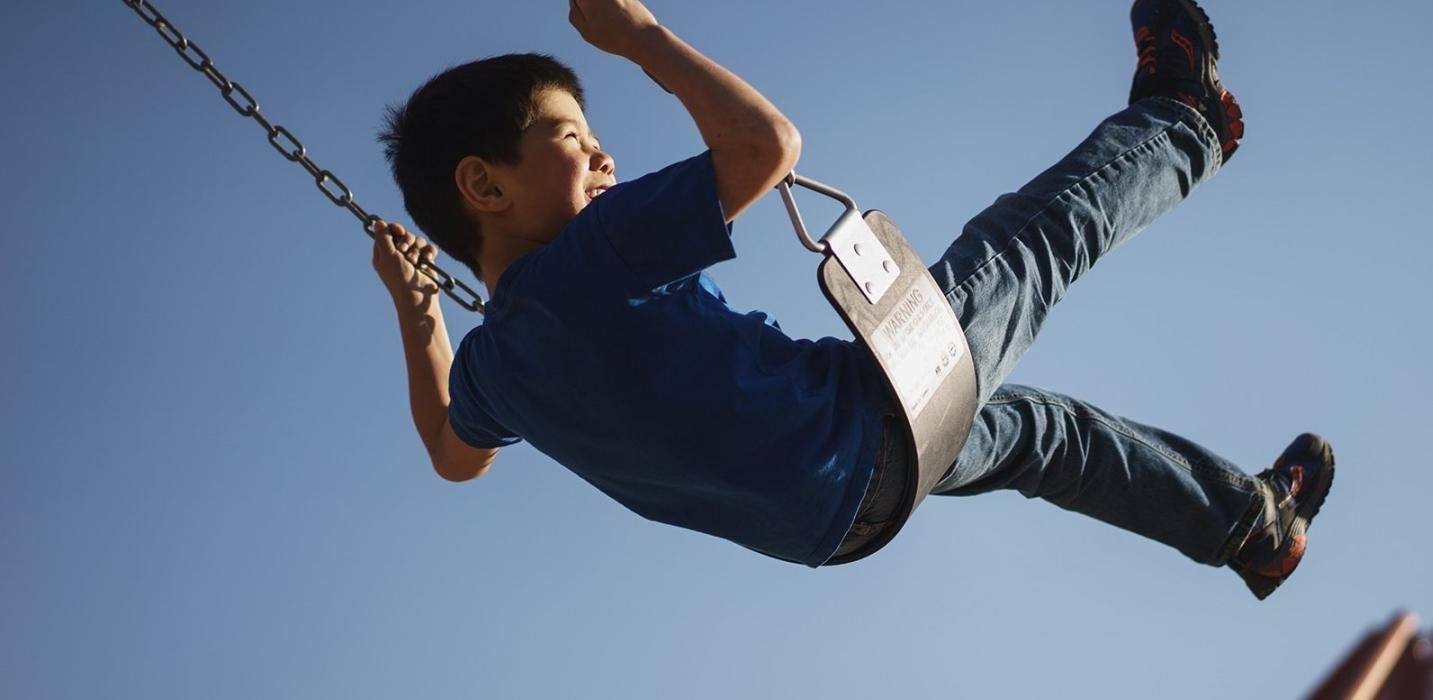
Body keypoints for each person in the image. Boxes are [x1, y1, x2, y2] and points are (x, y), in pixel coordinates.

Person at [371, 0, 1336, 600]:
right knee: (1028, 244)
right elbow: (764, 149)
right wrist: (640, 35)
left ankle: (1249, 526)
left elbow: (454, 457)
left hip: (835, 523)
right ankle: (1185, 122)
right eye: (568, 135)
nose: (600, 153)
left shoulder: (495, 367)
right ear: (485, 187)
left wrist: (423, 323)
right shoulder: (589, 254)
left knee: (1045, 436)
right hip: (858, 425)